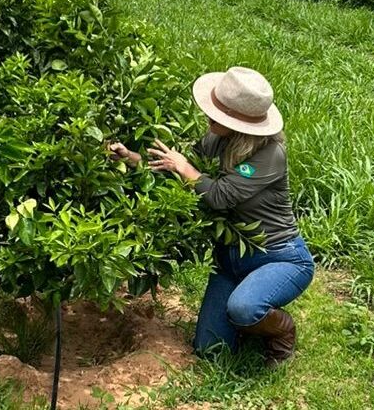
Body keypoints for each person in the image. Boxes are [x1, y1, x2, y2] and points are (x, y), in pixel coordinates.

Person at [109, 66, 314, 366]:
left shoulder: (270, 155)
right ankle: (245, 317)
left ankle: (280, 331)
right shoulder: (218, 139)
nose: (210, 116)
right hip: (230, 259)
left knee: (243, 308)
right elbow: (175, 167)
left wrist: (186, 169)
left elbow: (219, 196)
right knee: (210, 350)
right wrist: (131, 158)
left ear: (240, 123)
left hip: (278, 257)